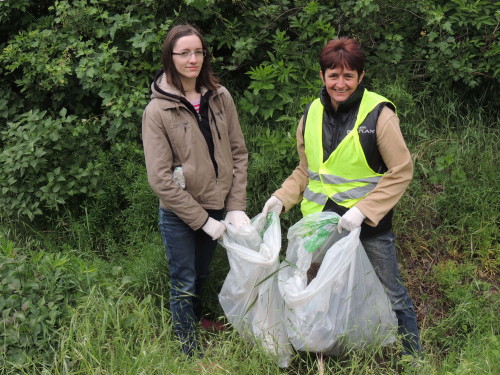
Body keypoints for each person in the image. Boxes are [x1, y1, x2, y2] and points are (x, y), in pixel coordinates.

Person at [261, 37, 422, 357]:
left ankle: (413, 358)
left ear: (360, 77)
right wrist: (281, 198)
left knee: (391, 292)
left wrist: (363, 210)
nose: (340, 83)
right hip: (320, 226)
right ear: (322, 76)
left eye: (348, 76)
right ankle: (327, 355)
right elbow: (306, 170)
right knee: (318, 292)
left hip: (368, 228)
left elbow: (401, 170)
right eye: (333, 75)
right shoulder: (310, 114)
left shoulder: (379, 114)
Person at [142, 24, 249, 357]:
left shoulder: (220, 97)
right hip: (181, 214)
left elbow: (238, 153)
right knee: (184, 278)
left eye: (197, 52)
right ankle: (188, 349)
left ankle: (196, 319)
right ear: (170, 58)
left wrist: (235, 207)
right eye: (184, 53)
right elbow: (160, 179)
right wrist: (202, 221)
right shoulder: (157, 111)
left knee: (202, 272)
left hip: (219, 205)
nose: (192, 59)